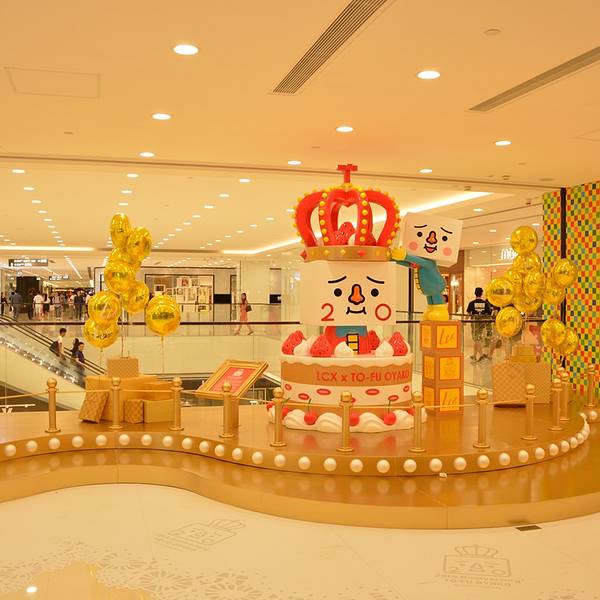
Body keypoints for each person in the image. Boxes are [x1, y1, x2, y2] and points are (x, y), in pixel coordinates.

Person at [466, 287, 492, 362]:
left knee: (476, 339)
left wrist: (464, 322)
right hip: (482, 323)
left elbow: (468, 313)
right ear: (481, 294)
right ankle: (474, 355)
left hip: (474, 323)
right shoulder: (485, 303)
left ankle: (481, 355)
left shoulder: (471, 303)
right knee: (477, 339)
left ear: (475, 293)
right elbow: (489, 313)